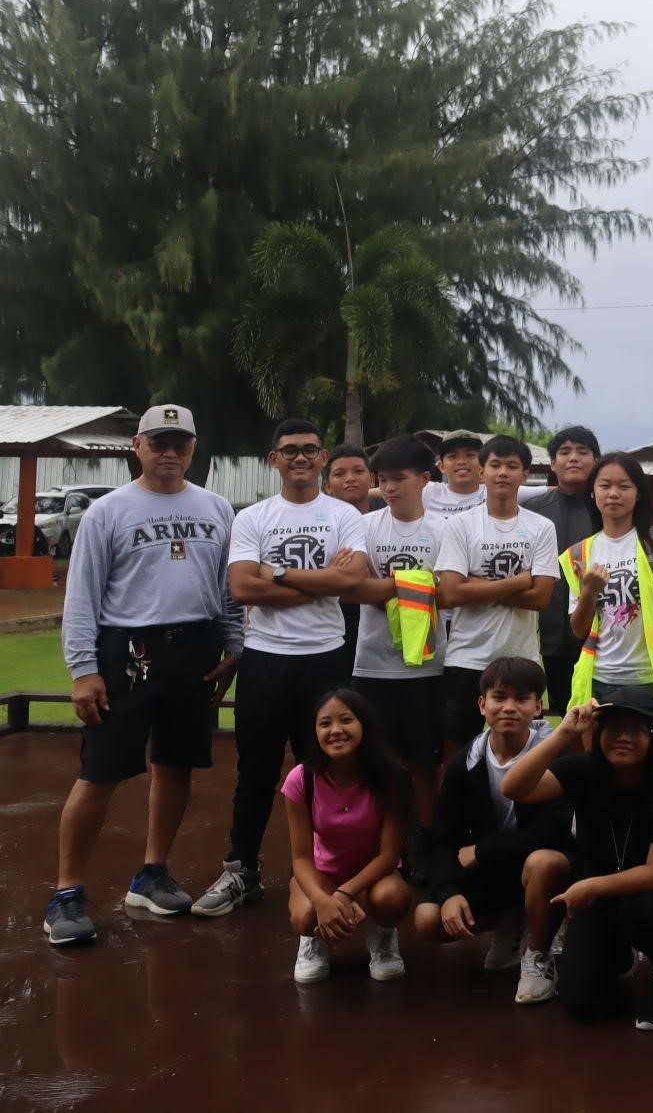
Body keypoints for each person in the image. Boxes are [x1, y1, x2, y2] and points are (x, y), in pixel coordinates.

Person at [47, 405, 242, 946]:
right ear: (137, 445)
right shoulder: (107, 511)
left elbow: (226, 588)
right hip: (129, 651)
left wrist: (234, 645)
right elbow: (82, 595)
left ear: (193, 448)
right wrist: (84, 670)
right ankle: (66, 893)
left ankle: (152, 873)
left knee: (177, 764)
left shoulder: (217, 507)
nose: (170, 452)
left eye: (180, 442)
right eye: (159, 441)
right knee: (101, 771)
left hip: (195, 649)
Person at [197, 419, 370, 919]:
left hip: (326, 655)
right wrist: (322, 580)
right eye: (289, 450)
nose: (299, 458)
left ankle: (332, 871)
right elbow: (242, 589)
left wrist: (276, 571)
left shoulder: (344, 514)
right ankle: (242, 869)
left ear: (322, 458)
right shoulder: (252, 517)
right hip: (266, 658)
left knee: (329, 767)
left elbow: (352, 579)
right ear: (273, 459)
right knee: (256, 768)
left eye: (309, 450)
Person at [503, 699, 653, 1029]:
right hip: (599, 893)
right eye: (615, 728)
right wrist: (563, 732)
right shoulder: (582, 769)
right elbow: (515, 787)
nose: (625, 737)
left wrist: (591, 886)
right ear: (599, 731)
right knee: (581, 1003)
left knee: (644, 911)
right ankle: (617, 952)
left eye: (638, 730)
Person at [414, 657, 573, 1005]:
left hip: (545, 871)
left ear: (538, 705)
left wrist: (484, 851)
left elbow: (553, 830)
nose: (510, 708)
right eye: (499, 697)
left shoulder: (556, 756)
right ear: (482, 704)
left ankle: (538, 954)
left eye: (522, 698)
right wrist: (448, 891)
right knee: (427, 917)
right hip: (493, 874)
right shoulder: (465, 763)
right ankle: (511, 921)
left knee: (543, 863)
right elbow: (442, 838)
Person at [343, 435, 449, 830]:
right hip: (372, 666)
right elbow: (354, 591)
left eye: (398, 478)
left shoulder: (447, 529)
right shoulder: (363, 526)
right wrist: (419, 585)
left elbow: (450, 595)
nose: (388, 488)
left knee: (425, 764)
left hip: (428, 667)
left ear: (424, 479)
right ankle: (381, 845)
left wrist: (381, 583)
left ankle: (424, 842)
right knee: (373, 764)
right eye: (382, 479)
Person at [433, 435, 561, 752]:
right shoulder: (460, 525)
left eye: (511, 466)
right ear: (481, 472)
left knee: (521, 749)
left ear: (525, 474)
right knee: (457, 750)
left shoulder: (542, 527)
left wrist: (476, 586)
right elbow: (450, 593)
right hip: (466, 655)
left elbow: (541, 598)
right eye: (495, 465)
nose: (502, 472)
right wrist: (518, 582)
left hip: (521, 658)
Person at [283, 689, 412, 985]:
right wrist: (321, 900)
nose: (336, 730)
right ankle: (312, 941)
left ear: (364, 725)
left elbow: (390, 855)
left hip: (373, 877)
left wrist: (344, 894)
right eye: (325, 723)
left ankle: (382, 936)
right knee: (304, 915)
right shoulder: (301, 779)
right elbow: (301, 857)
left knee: (391, 898)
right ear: (314, 731)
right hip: (323, 873)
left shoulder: (391, 776)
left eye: (345, 720)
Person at [561, 453, 653, 718]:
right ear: (593, 493)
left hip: (648, 678)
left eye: (624, 486)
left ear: (638, 493)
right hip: (598, 677)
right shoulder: (579, 554)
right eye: (605, 485)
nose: (613, 493)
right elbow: (578, 629)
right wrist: (589, 592)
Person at [527, 426, 604, 712]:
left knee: (601, 713)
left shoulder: (607, 508)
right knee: (565, 712)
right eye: (565, 452)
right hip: (546, 636)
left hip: (600, 634)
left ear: (596, 461)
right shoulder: (533, 510)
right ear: (552, 463)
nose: (574, 458)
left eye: (583, 452)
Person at [422, 431, 487, 519]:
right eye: (452, 456)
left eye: (470, 455)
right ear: (442, 467)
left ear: (483, 463)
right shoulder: (426, 492)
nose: (461, 462)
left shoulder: (494, 493)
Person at [323, 446, 374, 512]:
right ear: (328, 486)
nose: (350, 478)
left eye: (358, 471)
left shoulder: (389, 513)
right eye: (339, 474)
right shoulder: (318, 520)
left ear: (372, 479)